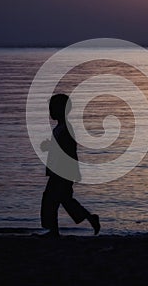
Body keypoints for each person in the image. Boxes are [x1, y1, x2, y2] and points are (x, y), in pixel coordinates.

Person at [40, 94, 100, 238]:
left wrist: (74, 171)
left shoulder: (66, 129)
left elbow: (70, 150)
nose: (50, 112)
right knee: (64, 199)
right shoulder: (60, 128)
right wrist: (49, 146)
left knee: (51, 200)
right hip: (59, 171)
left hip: (62, 172)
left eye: (52, 109)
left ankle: (53, 231)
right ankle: (90, 218)